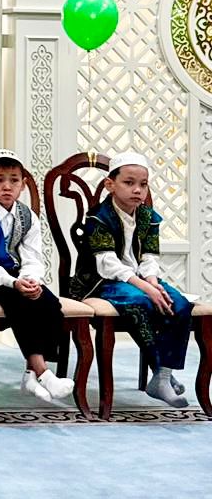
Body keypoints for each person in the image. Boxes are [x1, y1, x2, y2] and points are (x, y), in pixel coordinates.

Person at [70, 151, 192, 407]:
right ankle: (159, 370)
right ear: (110, 184)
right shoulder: (98, 218)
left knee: (178, 304)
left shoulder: (148, 217)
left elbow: (149, 257)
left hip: (139, 279)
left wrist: (153, 283)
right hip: (102, 282)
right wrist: (146, 288)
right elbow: (107, 264)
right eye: (129, 182)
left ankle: (163, 375)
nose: (137, 190)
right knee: (142, 301)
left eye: (143, 184)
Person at [0, 149, 73, 402]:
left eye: (14, 180)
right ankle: (44, 373)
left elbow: (32, 256)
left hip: (17, 276)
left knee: (49, 303)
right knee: (20, 303)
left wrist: (31, 279)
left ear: (23, 184)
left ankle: (30, 376)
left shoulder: (27, 216)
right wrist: (13, 282)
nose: (7, 186)